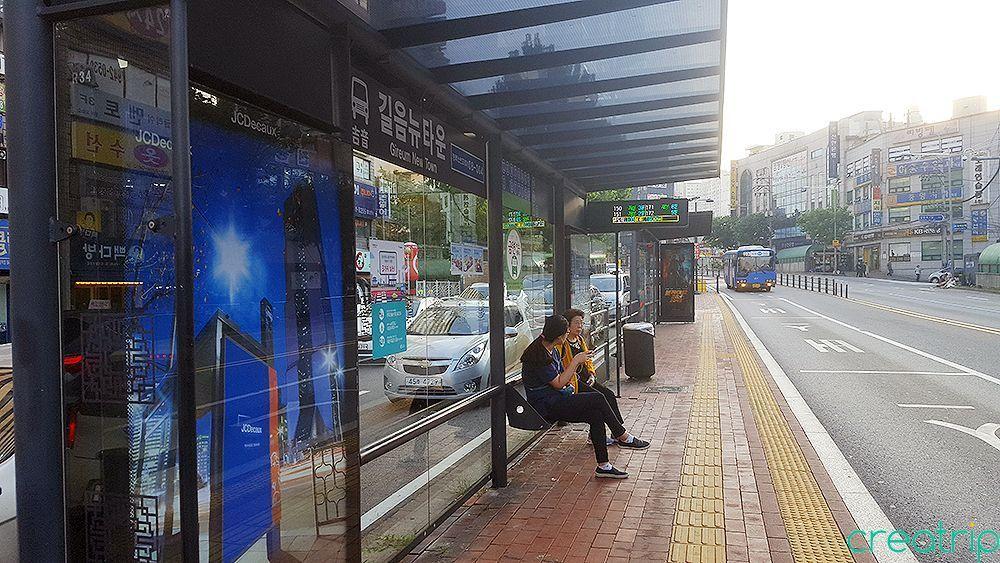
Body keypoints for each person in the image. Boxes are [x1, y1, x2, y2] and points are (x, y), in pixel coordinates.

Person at [521, 315, 649, 479]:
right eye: (566, 332)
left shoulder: (549, 348)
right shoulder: (539, 355)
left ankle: (604, 466)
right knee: (598, 398)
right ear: (559, 336)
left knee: (595, 415)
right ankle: (621, 435)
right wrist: (575, 361)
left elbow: (560, 378)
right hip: (546, 406)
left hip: (556, 399)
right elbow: (558, 383)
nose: (568, 334)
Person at [557, 309, 623, 447]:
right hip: (574, 383)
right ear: (567, 325)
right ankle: (601, 435)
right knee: (599, 399)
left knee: (609, 395)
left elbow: (588, 360)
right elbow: (562, 368)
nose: (580, 326)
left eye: (582, 323)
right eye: (576, 323)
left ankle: (616, 432)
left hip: (587, 379)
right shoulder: (562, 343)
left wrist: (592, 374)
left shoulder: (580, 340)